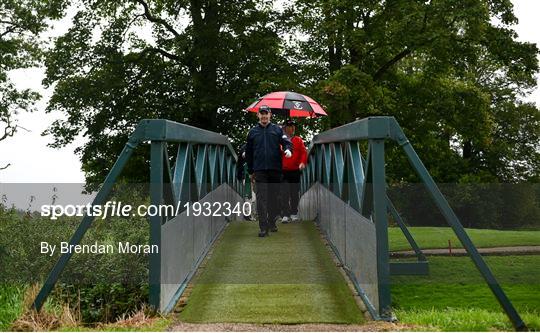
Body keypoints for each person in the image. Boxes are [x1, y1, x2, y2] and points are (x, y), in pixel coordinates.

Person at [245, 105, 293, 237]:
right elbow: (248, 152)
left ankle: (272, 221)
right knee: (261, 198)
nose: (264, 116)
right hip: (259, 169)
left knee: (274, 198)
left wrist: (288, 149)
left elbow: (286, 142)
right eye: (262, 114)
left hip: (275, 169)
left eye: (266, 114)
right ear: (258, 115)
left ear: (270, 115)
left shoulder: (277, 130)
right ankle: (263, 227)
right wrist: (250, 170)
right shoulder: (252, 132)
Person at [280, 119, 307, 223]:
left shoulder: (298, 140)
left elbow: (303, 153)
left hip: (295, 170)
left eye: (292, 127)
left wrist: (302, 163)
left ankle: (294, 213)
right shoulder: (281, 141)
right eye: (289, 126)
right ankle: (285, 214)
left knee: (294, 193)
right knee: (284, 192)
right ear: (285, 128)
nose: (291, 128)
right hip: (284, 170)